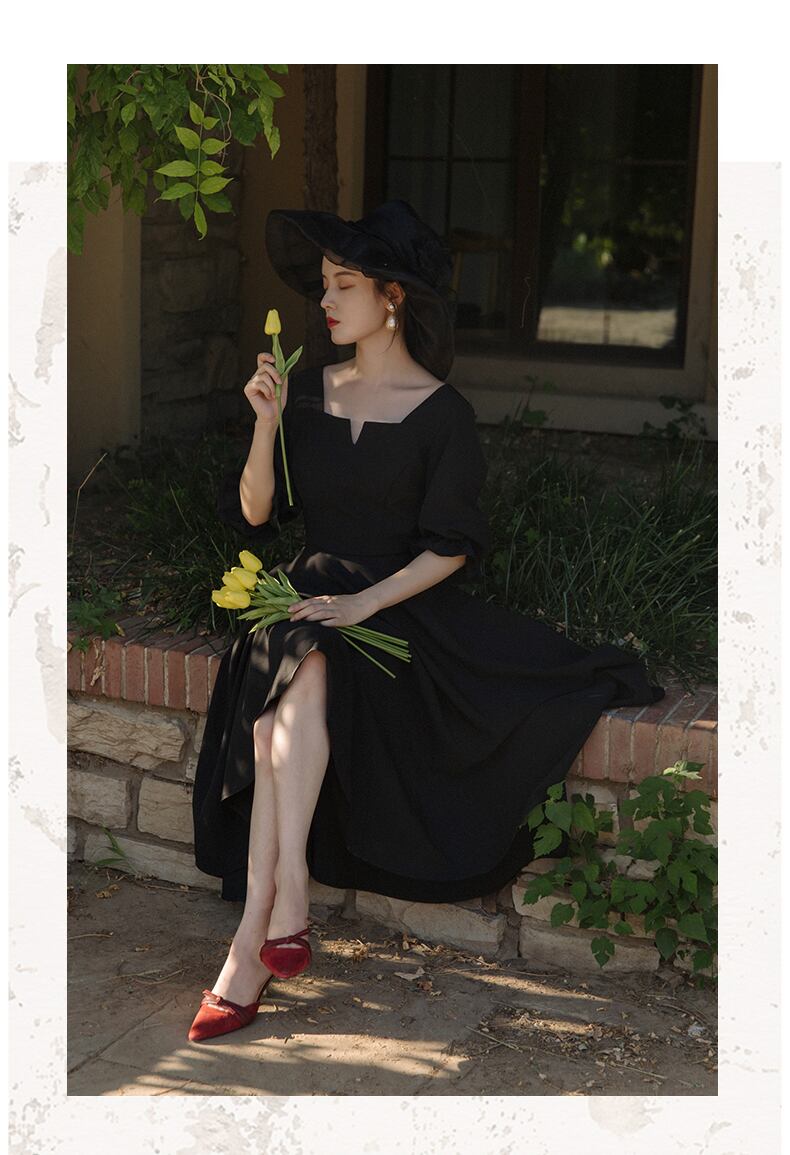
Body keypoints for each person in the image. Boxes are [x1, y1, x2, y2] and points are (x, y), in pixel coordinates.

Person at [187, 199, 665, 1042]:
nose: (325, 301)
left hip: (398, 609)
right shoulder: (305, 392)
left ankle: (259, 927)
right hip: (307, 599)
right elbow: (258, 513)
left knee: (280, 712)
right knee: (299, 670)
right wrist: (265, 425)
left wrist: (364, 603)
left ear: (393, 297)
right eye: (324, 284)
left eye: (344, 284)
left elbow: (450, 547)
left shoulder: (443, 414)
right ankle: (279, 905)